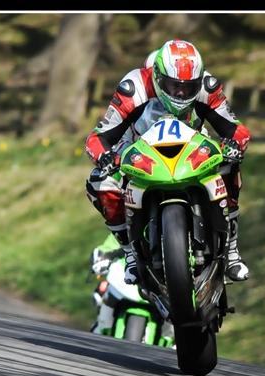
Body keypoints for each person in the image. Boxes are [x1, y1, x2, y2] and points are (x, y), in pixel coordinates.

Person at [84, 39, 252, 285]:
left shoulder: (208, 86)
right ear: (158, 77)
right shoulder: (134, 87)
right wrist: (105, 157)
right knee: (99, 183)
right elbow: (98, 136)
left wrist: (236, 144)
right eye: (174, 86)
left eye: (188, 87)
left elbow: (235, 128)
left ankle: (232, 252)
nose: (181, 93)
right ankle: (131, 254)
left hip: (192, 151)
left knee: (230, 166)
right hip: (141, 153)